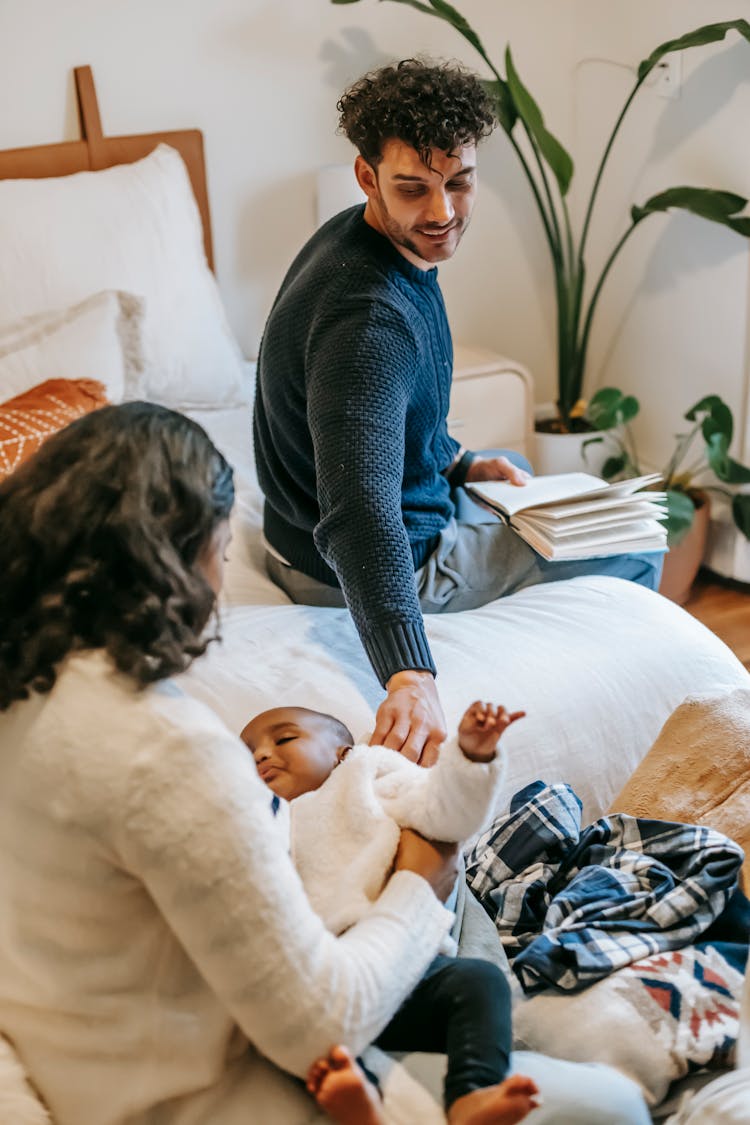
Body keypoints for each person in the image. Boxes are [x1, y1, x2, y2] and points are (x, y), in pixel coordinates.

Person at [0, 403, 652, 1125]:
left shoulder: (23, 696)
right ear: (176, 563)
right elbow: (322, 1021)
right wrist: (418, 882)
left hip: (71, 1071)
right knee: (613, 1105)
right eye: (220, 550)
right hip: (201, 1095)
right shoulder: (166, 750)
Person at [253, 58, 664, 766]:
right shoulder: (369, 320)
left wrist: (460, 460)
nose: (442, 212)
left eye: (460, 182)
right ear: (366, 176)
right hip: (353, 568)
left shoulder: (357, 239)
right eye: (414, 188)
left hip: (299, 533)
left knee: (523, 477)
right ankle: (617, 709)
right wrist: (408, 672)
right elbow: (358, 510)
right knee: (633, 539)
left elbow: (386, 420)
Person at [240, 700, 539, 1124]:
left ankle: (473, 1093)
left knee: (478, 980)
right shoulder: (258, 819)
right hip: (322, 983)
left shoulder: (366, 774)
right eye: (246, 754)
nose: (261, 755)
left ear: (342, 752)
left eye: (285, 738)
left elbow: (444, 814)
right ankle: (361, 1104)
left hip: (406, 971)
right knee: (295, 1037)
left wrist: (471, 758)